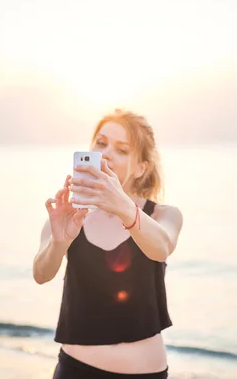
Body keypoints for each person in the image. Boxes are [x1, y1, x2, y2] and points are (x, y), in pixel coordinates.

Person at [33, 109, 184, 378]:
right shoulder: (70, 214)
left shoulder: (163, 215)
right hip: (74, 370)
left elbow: (161, 248)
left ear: (141, 168)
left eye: (122, 149)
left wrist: (123, 206)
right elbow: (41, 274)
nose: (106, 154)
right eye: (101, 144)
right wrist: (60, 240)